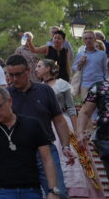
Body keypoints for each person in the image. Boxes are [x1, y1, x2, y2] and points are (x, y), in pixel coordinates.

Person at [0, 87, 61, 199]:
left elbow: (47, 159)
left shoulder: (32, 124)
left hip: (31, 190)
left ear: (9, 101)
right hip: (0, 191)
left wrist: (53, 190)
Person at [6, 54, 73, 198]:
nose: (14, 79)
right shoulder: (6, 95)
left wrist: (66, 146)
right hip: (17, 152)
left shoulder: (45, 91)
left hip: (46, 149)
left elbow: (59, 120)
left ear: (28, 71)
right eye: (11, 75)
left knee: (58, 192)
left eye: (18, 74)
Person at [37, 59, 101, 197]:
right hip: (46, 126)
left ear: (48, 68)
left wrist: (76, 130)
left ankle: (74, 190)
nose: (36, 69)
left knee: (68, 156)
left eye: (39, 66)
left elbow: (71, 108)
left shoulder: (62, 84)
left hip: (62, 123)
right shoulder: (38, 88)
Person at [73, 31, 108, 99]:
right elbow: (73, 68)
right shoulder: (80, 54)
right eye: (85, 38)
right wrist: (80, 64)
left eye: (90, 38)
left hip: (99, 84)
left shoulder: (102, 54)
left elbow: (106, 70)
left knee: (99, 107)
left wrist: (106, 82)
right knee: (86, 107)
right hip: (85, 85)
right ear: (83, 41)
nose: (88, 40)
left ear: (94, 39)